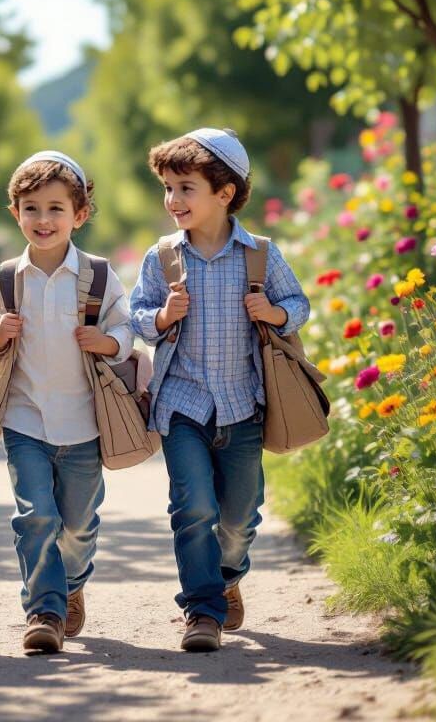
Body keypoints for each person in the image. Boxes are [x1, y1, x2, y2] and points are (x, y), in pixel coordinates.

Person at [130, 128, 310, 652]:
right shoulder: (162, 258)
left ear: (224, 193)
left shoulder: (259, 254)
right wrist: (162, 316)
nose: (173, 200)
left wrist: (274, 313)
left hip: (242, 405)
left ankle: (228, 573)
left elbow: (298, 303)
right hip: (182, 403)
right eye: (167, 188)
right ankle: (202, 611)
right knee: (192, 509)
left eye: (186, 188)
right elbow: (139, 317)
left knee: (239, 516)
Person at [0, 151, 133, 654]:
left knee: (79, 525)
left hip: (85, 422)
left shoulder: (100, 276)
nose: (43, 220)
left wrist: (106, 343)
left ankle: (73, 580)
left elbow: (126, 330)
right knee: (34, 517)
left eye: (56, 209)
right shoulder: (3, 279)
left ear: (79, 215)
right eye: (31, 208)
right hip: (25, 420)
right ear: (15, 212)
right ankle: (43, 609)